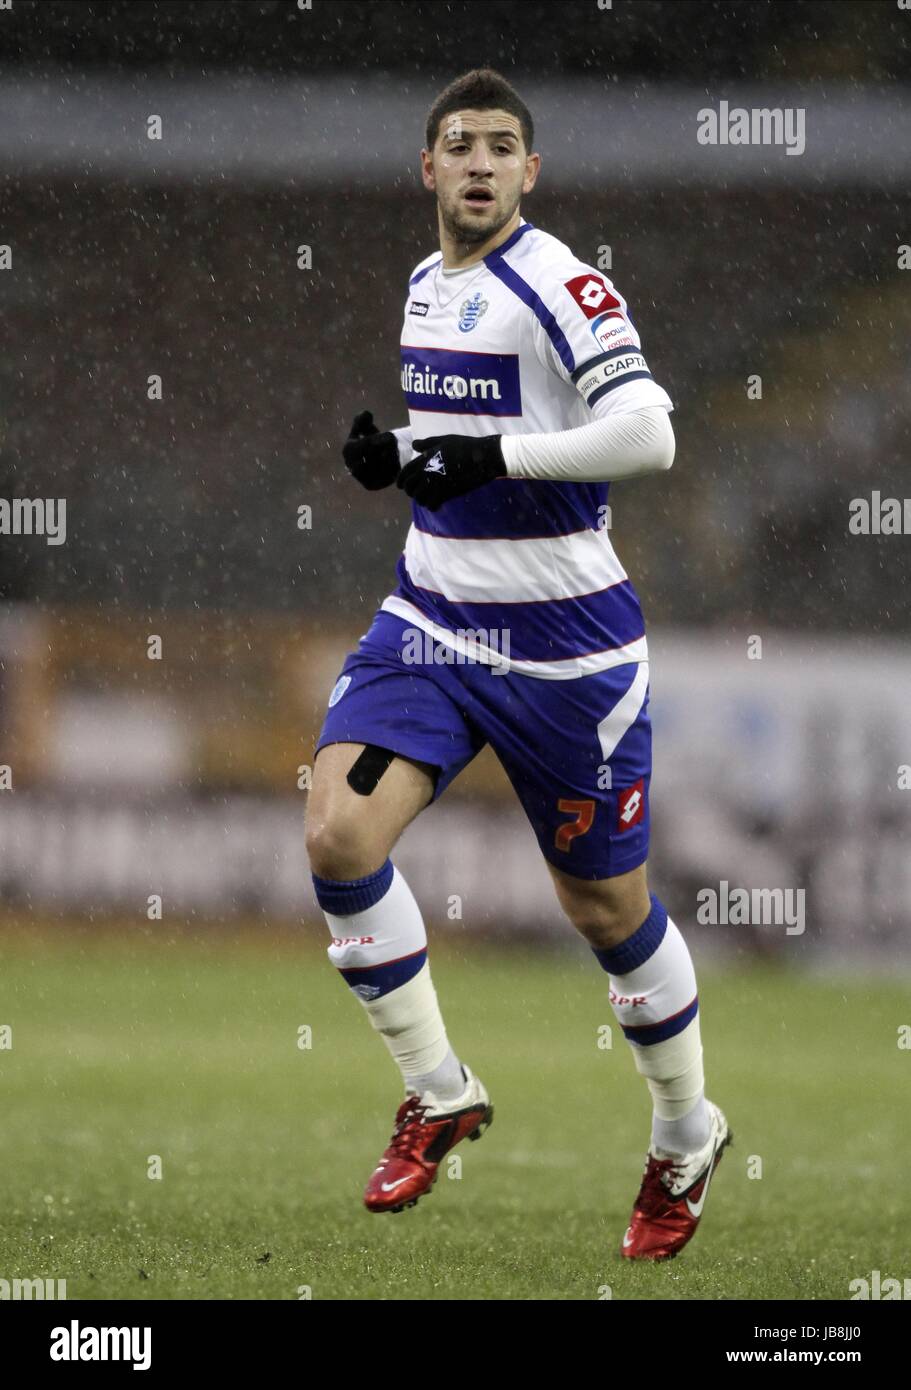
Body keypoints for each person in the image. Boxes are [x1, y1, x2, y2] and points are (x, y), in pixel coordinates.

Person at [305, 67, 730, 1260]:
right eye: (460, 144)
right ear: (427, 170)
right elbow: (464, 455)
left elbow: (647, 431)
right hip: (432, 621)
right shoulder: (420, 287)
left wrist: (483, 456)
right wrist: (403, 457)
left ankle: (684, 1131)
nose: (481, 162)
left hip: (566, 653)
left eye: (502, 145)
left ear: (529, 172)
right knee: (337, 836)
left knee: (604, 908)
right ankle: (440, 1093)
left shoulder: (558, 282)